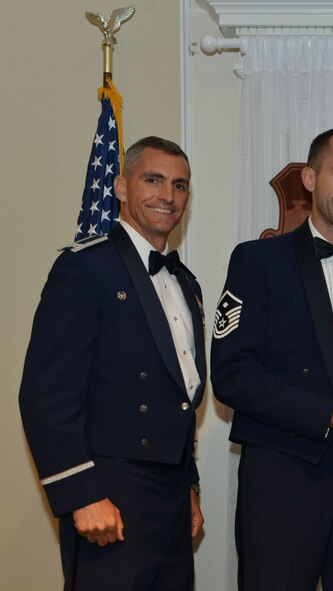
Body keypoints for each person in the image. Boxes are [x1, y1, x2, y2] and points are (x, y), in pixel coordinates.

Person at [211, 127, 333, 591]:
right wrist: (328, 414)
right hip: (281, 479)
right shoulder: (256, 261)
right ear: (309, 177)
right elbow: (232, 374)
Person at [19, 136, 206, 590]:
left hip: (172, 495)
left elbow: (178, 399)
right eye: (153, 180)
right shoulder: (84, 268)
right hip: (111, 492)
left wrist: (190, 488)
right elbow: (45, 395)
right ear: (121, 187)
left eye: (180, 185)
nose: (168, 196)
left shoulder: (187, 283)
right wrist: (82, 495)